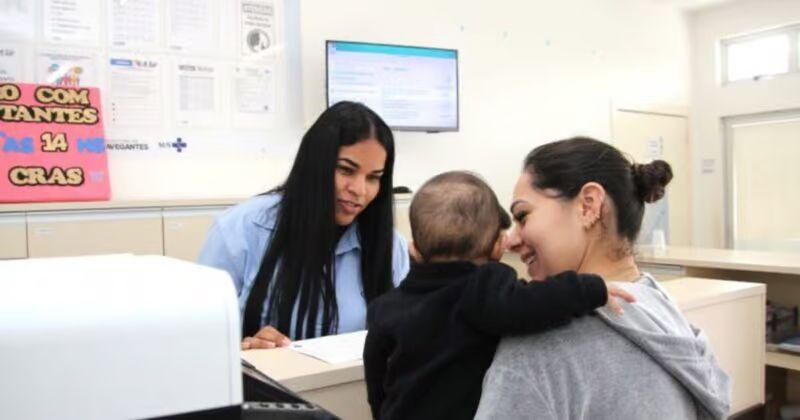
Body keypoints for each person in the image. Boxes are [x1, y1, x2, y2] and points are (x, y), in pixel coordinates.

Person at [475, 137, 731, 419]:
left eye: (523, 216)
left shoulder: (538, 349)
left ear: (588, 205)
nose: (510, 241)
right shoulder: (663, 310)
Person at [363, 171, 635, 420]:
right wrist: (590, 288)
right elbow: (533, 304)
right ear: (497, 247)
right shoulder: (485, 287)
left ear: (414, 250)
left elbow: (376, 379)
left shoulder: (384, 308)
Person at [198, 101, 410, 349]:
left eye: (373, 178)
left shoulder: (389, 246)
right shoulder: (240, 230)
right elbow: (197, 340)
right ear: (315, 165)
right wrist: (245, 349)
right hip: (264, 384)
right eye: (345, 170)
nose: (360, 190)